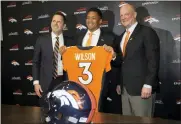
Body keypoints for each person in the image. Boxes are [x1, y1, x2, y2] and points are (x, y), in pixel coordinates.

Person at [104, 3, 160, 117]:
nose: (123, 17)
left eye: (126, 14)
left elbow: (153, 60)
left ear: (134, 15)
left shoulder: (147, 32)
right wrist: (114, 55)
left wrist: (148, 84)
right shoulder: (121, 37)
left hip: (142, 90)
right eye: (121, 15)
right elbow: (121, 62)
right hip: (125, 90)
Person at [59, 7, 116, 112]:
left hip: (100, 88)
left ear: (100, 21)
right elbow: (71, 63)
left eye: (93, 18)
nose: (90, 20)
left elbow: (118, 62)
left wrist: (113, 55)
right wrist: (64, 54)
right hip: (80, 89)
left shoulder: (110, 38)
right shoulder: (78, 37)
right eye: (88, 18)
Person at [32, 11, 75, 98]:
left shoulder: (71, 42)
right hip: (45, 84)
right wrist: (36, 83)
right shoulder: (41, 40)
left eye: (59, 21)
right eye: (53, 21)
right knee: (45, 110)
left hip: (64, 82)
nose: (55, 24)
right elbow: (36, 62)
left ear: (64, 25)